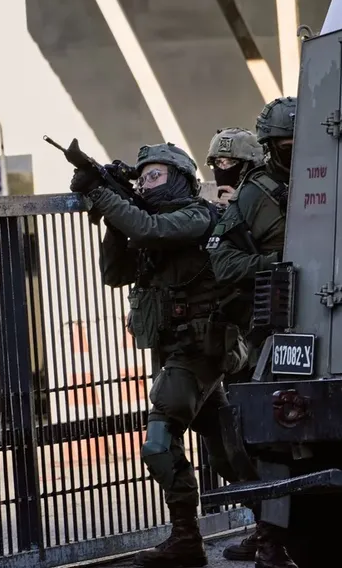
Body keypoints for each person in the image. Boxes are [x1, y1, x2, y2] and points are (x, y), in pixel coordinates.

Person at [67, 140, 248, 568]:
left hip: (199, 348)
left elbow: (150, 229)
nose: (146, 184)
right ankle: (272, 530)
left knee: (158, 443)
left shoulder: (196, 215)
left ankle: (188, 539)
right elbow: (115, 273)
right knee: (226, 452)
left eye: (155, 176)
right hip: (176, 350)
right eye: (142, 178)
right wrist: (115, 221)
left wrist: (102, 193)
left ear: (180, 179)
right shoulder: (152, 223)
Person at [207, 97, 298, 568]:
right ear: (270, 148)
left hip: (341, 325)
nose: (297, 154)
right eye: (287, 146)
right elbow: (223, 263)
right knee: (262, 436)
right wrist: (280, 264)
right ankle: (269, 536)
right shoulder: (255, 194)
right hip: (270, 331)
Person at [206, 127, 264, 209]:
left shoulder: (267, 198)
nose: (223, 168)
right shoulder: (209, 205)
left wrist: (241, 206)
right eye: (218, 162)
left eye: (231, 162)